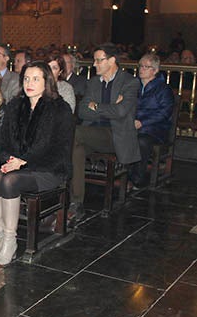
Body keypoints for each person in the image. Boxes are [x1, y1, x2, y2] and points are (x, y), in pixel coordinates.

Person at [0, 61, 74, 273]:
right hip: (17, 165)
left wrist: (24, 162)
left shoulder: (60, 109)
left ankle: (10, 241)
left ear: (47, 81)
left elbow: (59, 151)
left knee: (9, 181)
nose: (29, 83)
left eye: (36, 79)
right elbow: (3, 142)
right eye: (26, 78)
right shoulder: (15, 106)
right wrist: (10, 160)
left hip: (48, 169)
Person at [70, 43, 140, 219]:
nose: (94, 64)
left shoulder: (129, 82)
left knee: (74, 133)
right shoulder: (94, 82)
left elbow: (122, 112)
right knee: (75, 148)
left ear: (112, 60)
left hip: (115, 135)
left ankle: (58, 181)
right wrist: (111, 107)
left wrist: (97, 107)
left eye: (98, 60)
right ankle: (76, 202)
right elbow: (82, 111)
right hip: (92, 133)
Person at [129, 53, 174, 188]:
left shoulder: (163, 89)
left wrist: (142, 122)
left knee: (141, 140)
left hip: (155, 129)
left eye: (146, 67)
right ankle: (121, 173)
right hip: (133, 125)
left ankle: (137, 179)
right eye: (140, 66)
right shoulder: (133, 86)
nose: (141, 69)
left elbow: (164, 113)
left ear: (155, 70)